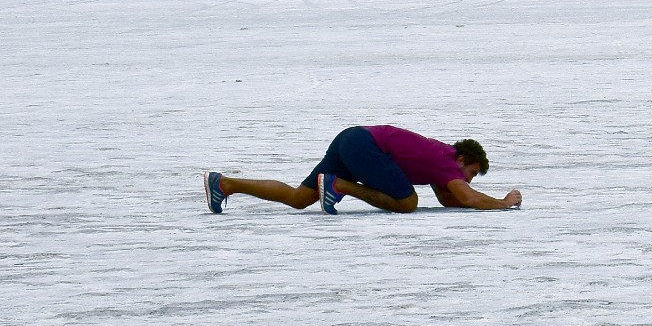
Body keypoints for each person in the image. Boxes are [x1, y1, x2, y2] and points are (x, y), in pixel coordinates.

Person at [203, 124, 521, 214]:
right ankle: (340, 186)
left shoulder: (440, 159)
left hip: (351, 138)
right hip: (366, 146)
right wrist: (505, 203)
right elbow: (467, 198)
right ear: (462, 159)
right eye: (472, 172)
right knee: (408, 202)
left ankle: (226, 184)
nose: (468, 179)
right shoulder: (445, 161)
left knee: (299, 199)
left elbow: (450, 199)